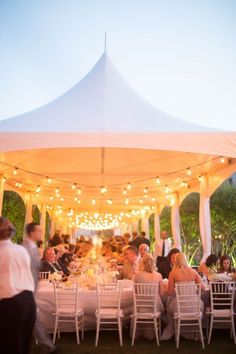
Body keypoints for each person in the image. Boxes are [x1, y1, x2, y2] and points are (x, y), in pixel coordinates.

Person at [0, 216, 36, 354]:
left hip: (11, 304)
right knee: (22, 345)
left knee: (9, 347)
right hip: (28, 303)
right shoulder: (21, 250)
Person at [22, 222, 56, 354]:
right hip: (26, 288)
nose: (41, 233)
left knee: (32, 318)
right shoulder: (25, 248)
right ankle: (48, 347)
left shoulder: (33, 247)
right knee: (32, 318)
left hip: (32, 288)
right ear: (32, 233)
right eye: (39, 231)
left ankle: (47, 346)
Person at [161, 252, 206, 340]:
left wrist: (169, 289)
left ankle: (174, 330)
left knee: (169, 308)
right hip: (194, 305)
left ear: (176, 261)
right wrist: (195, 292)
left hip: (179, 306)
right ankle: (195, 331)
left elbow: (170, 293)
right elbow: (203, 287)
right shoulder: (193, 272)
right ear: (185, 260)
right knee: (202, 305)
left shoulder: (173, 273)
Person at [133, 254, 164, 339]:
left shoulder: (138, 275)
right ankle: (160, 331)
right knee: (165, 308)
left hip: (140, 307)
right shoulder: (158, 275)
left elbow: (135, 293)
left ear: (142, 263)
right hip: (154, 306)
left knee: (134, 306)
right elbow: (161, 293)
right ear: (153, 263)